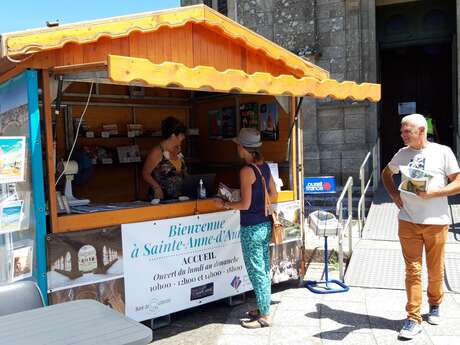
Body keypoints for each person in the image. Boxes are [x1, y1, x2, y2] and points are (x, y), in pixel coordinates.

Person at [381, 113, 460, 340]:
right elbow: (387, 173)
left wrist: (434, 193)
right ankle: (413, 318)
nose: (402, 135)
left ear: (422, 131)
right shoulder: (402, 153)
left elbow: (458, 182)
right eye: (402, 131)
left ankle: (435, 304)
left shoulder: (442, 152)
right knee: (413, 271)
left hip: (436, 222)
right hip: (408, 220)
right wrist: (394, 195)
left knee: (435, 270)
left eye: (407, 131)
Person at [215, 128, 277, 328]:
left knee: (256, 270)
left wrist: (225, 204)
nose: (237, 149)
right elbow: (274, 194)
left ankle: (265, 316)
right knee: (263, 268)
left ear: (243, 147)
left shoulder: (246, 171)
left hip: (250, 227)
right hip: (265, 224)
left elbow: (244, 205)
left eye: (238, 145)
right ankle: (263, 306)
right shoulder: (264, 168)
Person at [142, 116, 187, 200]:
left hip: (179, 199)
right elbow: (145, 173)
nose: (184, 137)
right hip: (161, 200)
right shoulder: (157, 152)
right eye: (182, 135)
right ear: (173, 136)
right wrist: (156, 187)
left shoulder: (178, 150)